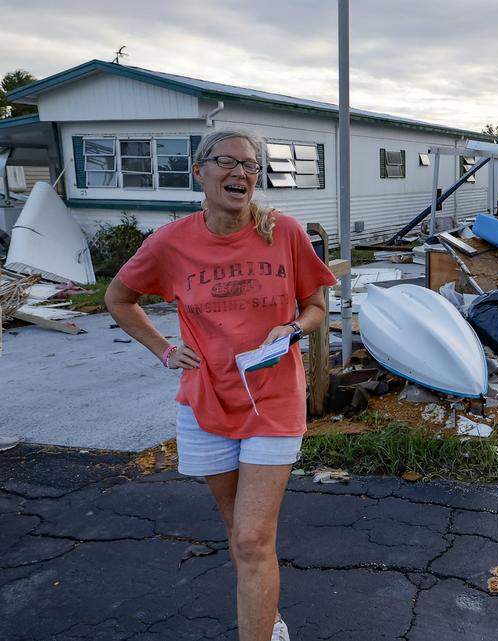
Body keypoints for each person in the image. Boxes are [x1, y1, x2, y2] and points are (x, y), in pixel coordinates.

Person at [105, 130, 336, 641]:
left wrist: (294, 328)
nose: (241, 173)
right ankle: (266, 617)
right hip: (206, 402)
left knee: (253, 538)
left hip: (273, 399)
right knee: (240, 537)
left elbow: (317, 306)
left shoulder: (285, 232)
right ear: (199, 172)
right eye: (227, 162)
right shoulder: (170, 243)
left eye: (251, 166)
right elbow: (119, 298)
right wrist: (163, 349)